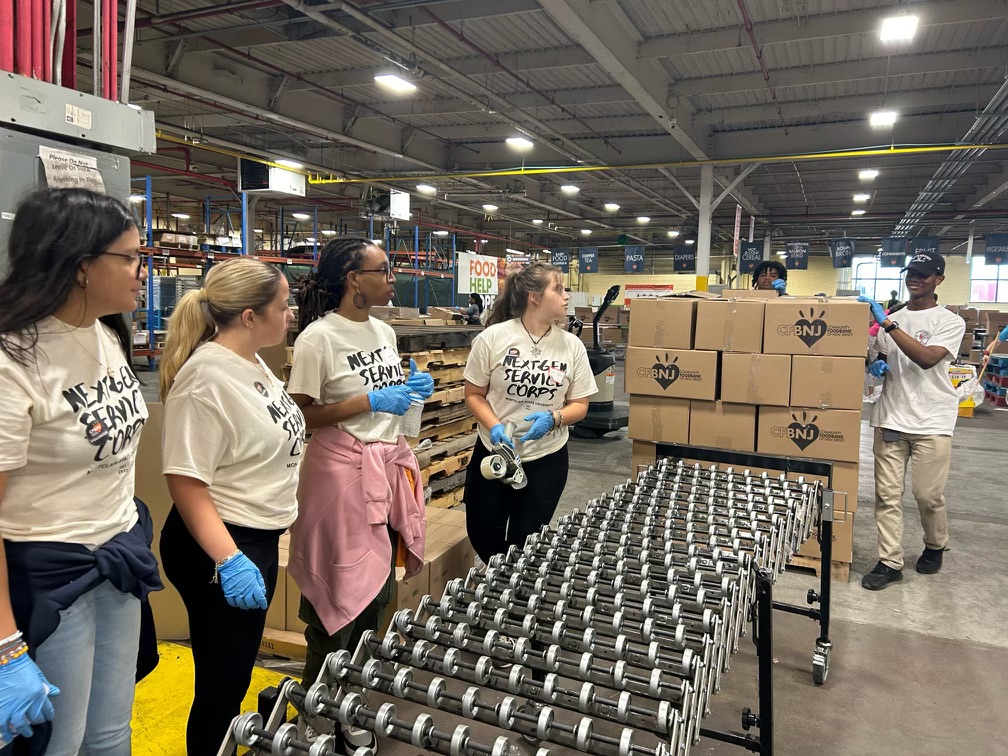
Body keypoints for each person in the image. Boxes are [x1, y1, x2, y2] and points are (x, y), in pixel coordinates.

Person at [0, 187, 162, 754]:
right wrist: (5, 647)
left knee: (111, 732)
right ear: (81, 266)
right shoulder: (12, 357)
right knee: (57, 745)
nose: (143, 272)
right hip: (48, 581)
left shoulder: (104, 334)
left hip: (116, 561)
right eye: (132, 257)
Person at [286, 238, 432, 753]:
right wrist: (366, 400)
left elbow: (389, 412)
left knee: (376, 598)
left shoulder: (384, 330)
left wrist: (410, 395)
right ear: (353, 279)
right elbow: (301, 414)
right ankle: (312, 713)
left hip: (383, 470)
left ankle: (351, 705)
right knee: (335, 602)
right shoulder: (317, 340)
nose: (392, 279)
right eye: (383, 270)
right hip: (340, 477)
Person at [159, 257, 305, 754]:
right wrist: (229, 559)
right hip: (220, 547)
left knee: (231, 674)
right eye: (284, 306)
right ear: (249, 315)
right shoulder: (206, 378)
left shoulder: (251, 361)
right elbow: (186, 482)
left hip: (252, 540)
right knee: (222, 686)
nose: (291, 314)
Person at [462, 262, 597, 564]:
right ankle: (498, 583)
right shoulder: (493, 339)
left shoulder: (571, 346)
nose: (566, 296)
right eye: (558, 288)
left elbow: (581, 404)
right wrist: (495, 427)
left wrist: (555, 418)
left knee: (527, 542)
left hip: (546, 458)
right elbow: (473, 395)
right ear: (534, 298)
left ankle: (512, 597)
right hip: (494, 452)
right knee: (483, 533)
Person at [858, 251, 966, 591]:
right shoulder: (892, 318)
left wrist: (888, 324)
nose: (915, 279)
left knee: (927, 495)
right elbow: (879, 359)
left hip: (932, 420)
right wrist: (873, 364)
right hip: (891, 415)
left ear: (939, 280)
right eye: (911, 273)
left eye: (924, 274)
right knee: (887, 496)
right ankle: (889, 562)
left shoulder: (949, 321)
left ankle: (935, 544)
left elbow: (927, 359)